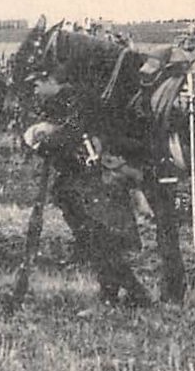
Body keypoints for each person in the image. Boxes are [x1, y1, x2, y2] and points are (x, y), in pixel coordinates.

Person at [23, 118, 151, 307]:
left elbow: (54, 147)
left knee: (104, 251)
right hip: (95, 203)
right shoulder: (71, 138)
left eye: (40, 137)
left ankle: (136, 294)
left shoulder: (66, 136)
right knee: (103, 252)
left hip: (97, 203)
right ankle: (115, 296)